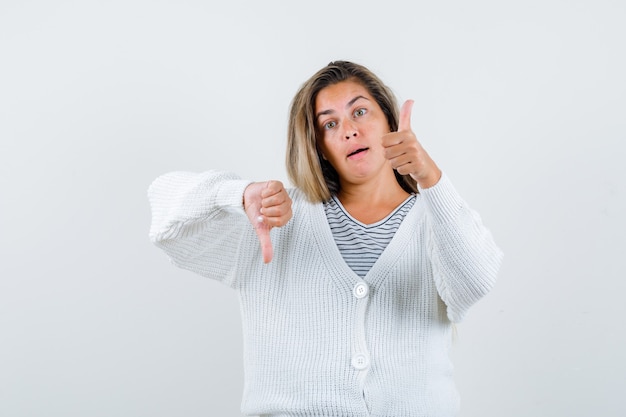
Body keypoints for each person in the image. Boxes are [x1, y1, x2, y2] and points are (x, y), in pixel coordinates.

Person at [148, 60, 503, 417]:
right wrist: (238, 195)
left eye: (360, 112)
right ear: (318, 146)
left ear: (390, 122)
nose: (349, 130)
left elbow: (474, 283)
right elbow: (165, 218)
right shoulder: (273, 218)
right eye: (330, 124)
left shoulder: (438, 220)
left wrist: (431, 179)